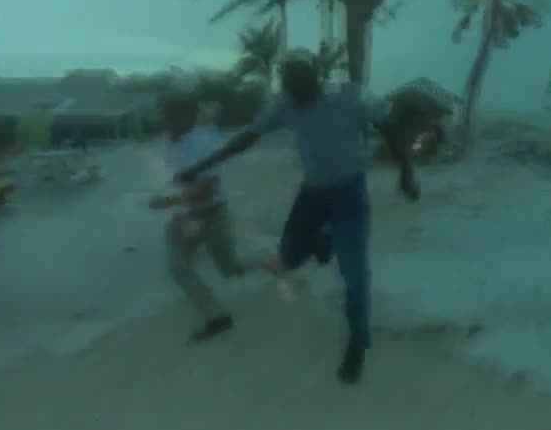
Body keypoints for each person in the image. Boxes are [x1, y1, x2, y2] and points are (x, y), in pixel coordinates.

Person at [175, 48, 419, 384]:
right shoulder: (285, 107)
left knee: (354, 273)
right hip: (312, 195)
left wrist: (407, 172)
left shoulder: (347, 99)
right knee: (288, 257)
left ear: (316, 76)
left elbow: (389, 126)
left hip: (349, 195)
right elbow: (246, 139)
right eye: (288, 82)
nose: (294, 89)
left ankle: (358, 343)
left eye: (299, 81)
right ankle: (325, 239)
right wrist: (199, 166)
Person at [150, 79, 275, 342]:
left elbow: (206, 188)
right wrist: (166, 196)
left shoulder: (204, 144)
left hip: (212, 215)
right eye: (166, 112)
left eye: (175, 112)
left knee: (230, 269)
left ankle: (269, 262)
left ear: (190, 114)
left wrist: (168, 201)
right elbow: (173, 179)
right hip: (185, 217)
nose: (169, 118)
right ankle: (217, 316)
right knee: (178, 267)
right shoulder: (170, 144)